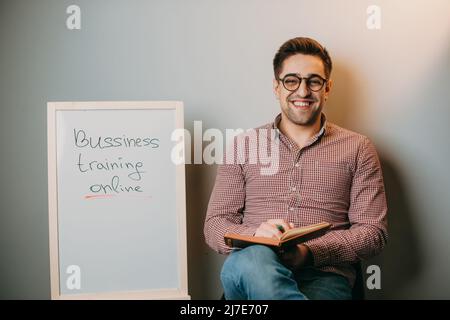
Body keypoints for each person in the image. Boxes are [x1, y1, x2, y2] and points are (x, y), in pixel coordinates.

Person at [203, 37, 388, 300]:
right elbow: (215, 225)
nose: (302, 92)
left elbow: (372, 233)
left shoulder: (358, 148)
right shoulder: (243, 145)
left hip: (324, 276)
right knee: (254, 256)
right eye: (291, 80)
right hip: (253, 268)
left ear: (327, 88)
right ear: (276, 87)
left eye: (313, 81)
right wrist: (256, 235)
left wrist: (309, 253)